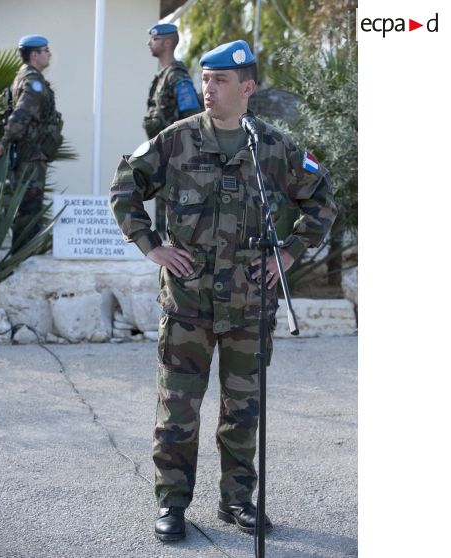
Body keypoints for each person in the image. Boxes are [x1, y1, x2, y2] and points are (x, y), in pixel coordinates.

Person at [110, 40, 337, 542]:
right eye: (206, 79)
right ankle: (171, 504)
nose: (208, 88)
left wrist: (288, 254)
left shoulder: (274, 148)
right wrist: (151, 247)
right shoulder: (175, 141)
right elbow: (125, 187)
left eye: (220, 81)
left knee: (243, 410)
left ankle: (237, 501)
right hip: (188, 304)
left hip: (249, 306)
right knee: (178, 408)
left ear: (247, 88)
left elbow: (321, 202)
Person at [0, 35, 63, 248]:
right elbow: (22, 113)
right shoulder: (33, 80)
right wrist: (5, 140)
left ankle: (25, 249)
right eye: (46, 50)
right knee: (29, 206)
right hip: (31, 154)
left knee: (24, 204)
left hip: (28, 152)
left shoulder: (21, 77)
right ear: (34, 55)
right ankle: (25, 252)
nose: (49, 54)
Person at [143, 22, 202, 237]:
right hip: (164, 155)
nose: (149, 43)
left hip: (177, 158)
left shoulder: (177, 76)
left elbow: (191, 115)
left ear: (167, 42)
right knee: (163, 216)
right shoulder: (164, 75)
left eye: (154, 39)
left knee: (175, 218)